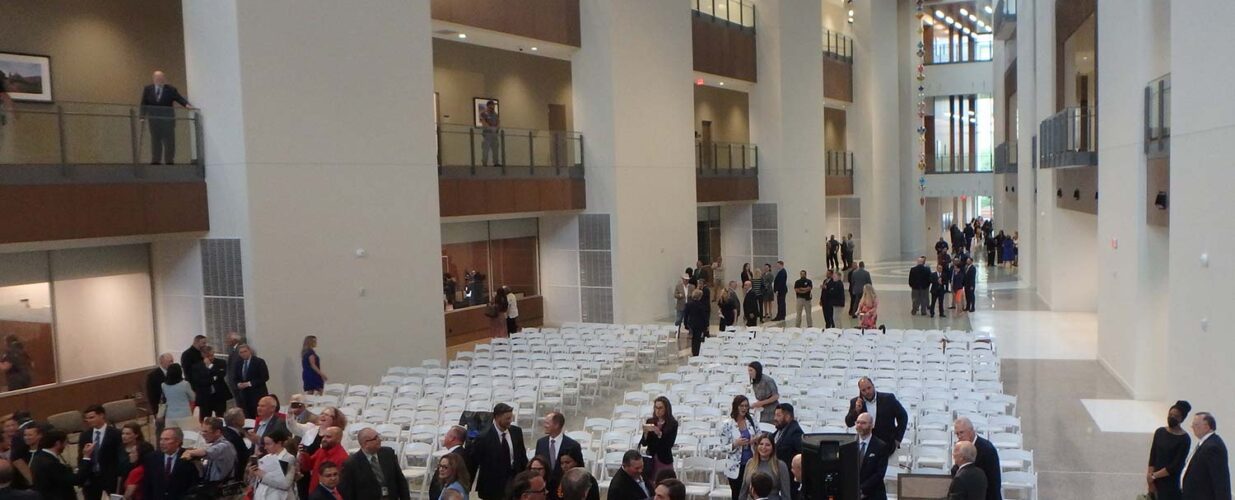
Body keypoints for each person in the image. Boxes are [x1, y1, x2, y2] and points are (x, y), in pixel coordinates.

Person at [471, 403, 527, 500]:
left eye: (511, 418)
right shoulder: (483, 437)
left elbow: (522, 457)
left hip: (514, 482)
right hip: (492, 488)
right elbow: (475, 462)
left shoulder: (516, 432)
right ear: (497, 417)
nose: (510, 421)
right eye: (507, 419)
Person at [340, 427, 410, 500]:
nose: (380, 440)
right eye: (375, 438)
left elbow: (400, 480)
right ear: (366, 443)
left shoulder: (388, 453)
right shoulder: (351, 464)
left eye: (378, 436)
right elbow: (347, 493)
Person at [139, 70, 192, 165]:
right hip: (154, 121)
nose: (159, 80)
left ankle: (169, 160)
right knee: (155, 140)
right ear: (154, 79)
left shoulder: (170, 89)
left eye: (161, 78)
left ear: (164, 79)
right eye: (157, 78)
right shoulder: (148, 89)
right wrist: (142, 116)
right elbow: (144, 103)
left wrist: (186, 105)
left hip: (168, 121)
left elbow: (179, 98)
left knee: (169, 141)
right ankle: (156, 160)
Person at [844, 377, 908, 449]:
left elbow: (903, 416)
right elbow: (848, 423)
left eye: (869, 388)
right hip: (865, 445)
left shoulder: (888, 398)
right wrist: (856, 411)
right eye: (863, 390)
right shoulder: (856, 402)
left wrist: (898, 438)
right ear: (860, 391)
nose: (867, 391)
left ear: (873, 386)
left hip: (887, 443)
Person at [1147, 401, 1192, 500]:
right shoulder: (1160, 432)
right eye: (1170, 414)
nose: (1171, 417)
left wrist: (1154, 476)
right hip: (1154, 481)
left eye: (1175, 416)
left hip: (1170, 484)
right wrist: (1150, 479)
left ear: (1181, 419)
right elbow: (1153, 456)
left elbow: (1175, 465)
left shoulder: (1184, 439)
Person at [1181, 412, 1230, 500]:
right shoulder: (1205, 443)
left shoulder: (1213, 447)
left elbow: (1220, 480)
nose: (1192, 427)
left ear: (1207, 426)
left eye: (1195, 424)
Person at [142, 428, 200, 500]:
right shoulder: (151, 458)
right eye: (161, 439)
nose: (162, 442)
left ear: (178, 442)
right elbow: (147, 485)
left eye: (166, 439)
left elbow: (193, 484)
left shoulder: (189, 458)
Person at [78, 404, 122, 499]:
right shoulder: (85, 436)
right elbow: (80, 458)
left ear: (101, 415)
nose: (89, 421)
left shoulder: (115, 434)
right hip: (91, 479)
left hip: (110, 478)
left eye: (92, 417)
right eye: (87, 419)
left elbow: (119, 456)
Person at [952, 417, 1000, 500]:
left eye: (962, 432)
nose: (959, 436)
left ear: (971, 431)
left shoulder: (987, 449)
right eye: (957, 434)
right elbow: (956, 471)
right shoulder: (961, 448)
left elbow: (994, 483)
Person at [29, 429, 86, 499]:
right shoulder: (51, 463)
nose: (65, 446)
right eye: (65, 443)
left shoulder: (37, 458)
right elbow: (76, 480)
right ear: (58, 443)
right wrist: (86, 458)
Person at [181, 417, 238, 486]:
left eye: (206, 431)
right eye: (202, 431)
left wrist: (189, 452)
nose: (202, 434)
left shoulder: (225, 446)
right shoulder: (215, 445)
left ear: (217, 432)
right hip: (210, 485)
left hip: (221, 488)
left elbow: (206, 452)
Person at [721, 396, 757, 500]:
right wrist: (735, 444)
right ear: (736, 407)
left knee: (754, 493)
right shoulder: (727, 425)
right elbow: (723, 447)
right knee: (737, 495)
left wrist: (754, 440)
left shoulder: (752, 420)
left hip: (751, 463)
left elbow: (759, 435)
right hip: (735, 466)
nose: (744, 408)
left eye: (746, 406)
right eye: (741, 406)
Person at [737, 435, 791, 500]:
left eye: (767, 445)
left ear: (773, 448)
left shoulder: (781, 465)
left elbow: (786, 494)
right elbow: (744, 490)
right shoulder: (750, 463)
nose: (763, 447)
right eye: (761, 444)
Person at [250, 429, 297, 500]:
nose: (265, 447)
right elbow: (257, 482)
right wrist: (252, 474)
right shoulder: (265, 458)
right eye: (264, 444)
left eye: (268, 444)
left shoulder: (288, 458)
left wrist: (263, 475)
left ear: (279, 443)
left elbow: (285, 485)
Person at [640, 396, 679, 480]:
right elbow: (644, 443)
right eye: (656, 408)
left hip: (664, 458)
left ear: (666, 409)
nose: (658, 410)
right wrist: (646, 433)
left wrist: (659, 433)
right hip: (651, 459)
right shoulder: (650, 421)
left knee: (665, 483)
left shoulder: (672, 424)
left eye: (660, 408)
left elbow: (669, 444)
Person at [299, 426, 348, 494]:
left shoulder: (342, 458)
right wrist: (304, 453)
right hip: (314, 493)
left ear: (338, 439)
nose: (324, 439)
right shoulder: (321, 451)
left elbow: (338, 485)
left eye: (328, 437)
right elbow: (307, 467)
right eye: (324, 436)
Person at [853, 413, 890, 500]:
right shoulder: (849, 444)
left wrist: (861, 489)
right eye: (857, 422)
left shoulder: (881, 446)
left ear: (872, 425)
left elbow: (879, 474)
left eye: (863, 423)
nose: (859, 425)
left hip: (874, 494)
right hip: (852, 493)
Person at [191, 345, 230, 420]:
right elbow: (198, 381)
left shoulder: (221, 362)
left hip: (219, 395)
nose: (211, 358)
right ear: (203, 355)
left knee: (221, 417)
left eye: (212, 355)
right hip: (205, 396)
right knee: (205, 418)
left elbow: (221, 375)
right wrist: (213, 378)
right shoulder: (196, 367)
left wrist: (210, 366)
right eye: (208, 356)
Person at [430, 425, 469, 500]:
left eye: (445, 467)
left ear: (452, 438)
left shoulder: (458, 456)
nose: (441, 469)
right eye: (440, 466)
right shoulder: (460, 454)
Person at [117, 422, 154, 499]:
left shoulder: (145, 447)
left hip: (141, 485)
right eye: (123, 433)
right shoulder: (120, 448)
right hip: (125, 483)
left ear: (136, 435)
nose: (124, 436)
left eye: (128, 434)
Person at [537, 412, 581, 477]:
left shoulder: (573, 445)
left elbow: (579, 470)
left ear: (556, 425)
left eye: (547, 423)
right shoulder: (541, 443)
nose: (544, 425)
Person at [233, 344, 270, 418]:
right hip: (244, 395)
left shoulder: (259, 362)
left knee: (258, 415)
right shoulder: (238, 364)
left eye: (245, 351)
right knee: (247, 416)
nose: (243, 354)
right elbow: (235, 377)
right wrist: (238, 384)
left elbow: (265, 377)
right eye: (241, 352)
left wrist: (249, 384)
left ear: (249, 351)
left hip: (257, 394)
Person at [160, 363, 196, 430]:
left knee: (172, 436)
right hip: (184, 414)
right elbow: (193, 398)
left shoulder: (163, 385)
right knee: (187, 435)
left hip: (170, 416)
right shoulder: (185, 384)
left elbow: (163, 400)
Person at [222, 407, 253, 480]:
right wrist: (254, 445)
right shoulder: (233, 438)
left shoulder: (226, 431)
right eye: (242, 416)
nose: (244, 418)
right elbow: (243, 456)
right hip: (238, 473)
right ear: (234, 421)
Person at [144, 353, 173, 430]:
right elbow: (151, 396)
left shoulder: (174, 373)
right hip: (160, 409)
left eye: (172, 361)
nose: (171, 364)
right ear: (161, 362)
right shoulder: (152, 376)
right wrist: (156, 412)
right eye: (169, 362)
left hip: (173, 408)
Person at [684, 290, 710, 356]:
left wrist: (685, 324)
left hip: (691, 324)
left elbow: (686, 315)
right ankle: (697, 352)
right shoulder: (701, 305)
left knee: (693, 339)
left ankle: (694, 352)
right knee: (698, 339)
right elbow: (704, 316)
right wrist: (707, 325)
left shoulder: (688, 304)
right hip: (700, 325)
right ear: (700, 297)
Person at [479, 100, 502, 167]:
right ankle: (484, 163)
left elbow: (498, 123)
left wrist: (497, 128)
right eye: (491, 106)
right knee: (485, 150)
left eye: (493, 106)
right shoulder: (484, 113)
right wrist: (491, 129)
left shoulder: (495, 114)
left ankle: (496, 163)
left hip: (495, 135)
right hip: (487, 134)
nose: (493, 107)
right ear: (488, 106)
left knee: (495, 149)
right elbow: (484, 123)